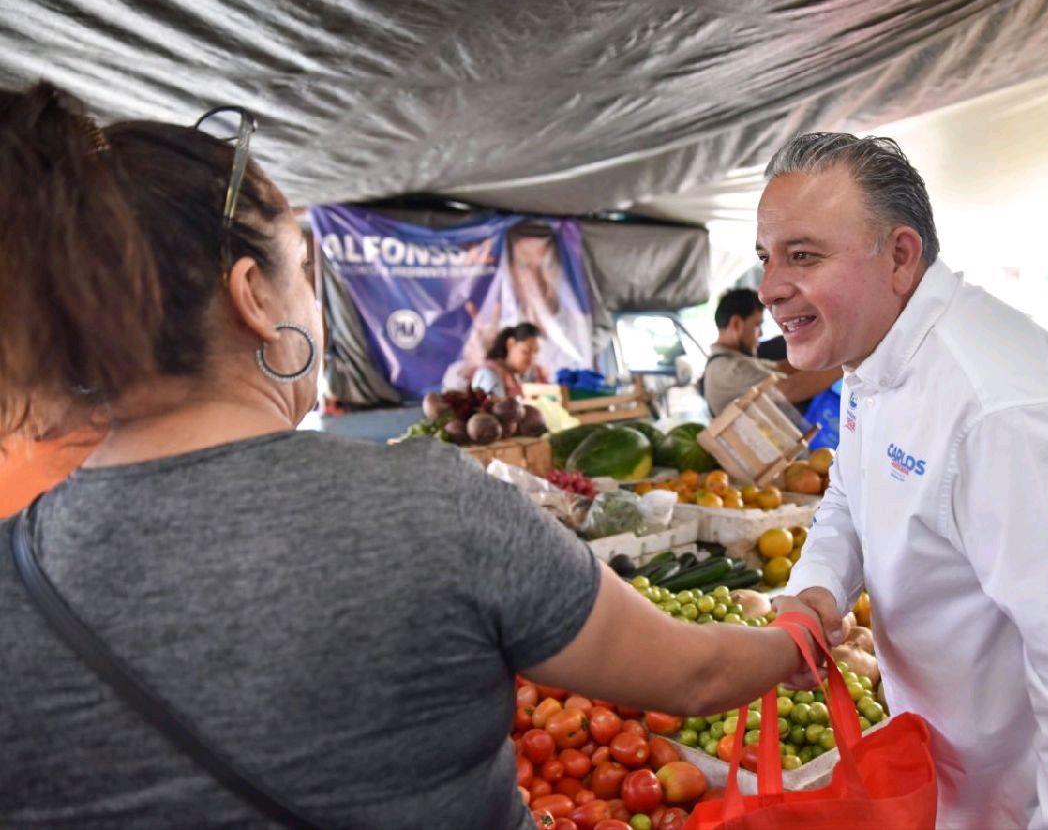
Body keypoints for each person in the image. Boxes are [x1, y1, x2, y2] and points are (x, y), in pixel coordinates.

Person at [0, 82, 813, 829]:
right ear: (251, 296)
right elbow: (694, 678)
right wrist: (797, 636)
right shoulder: (433, 506)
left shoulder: (16, 562)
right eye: (306, 274)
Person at [758, 131, 1048, 829]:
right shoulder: (875, 355)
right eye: (767, 257)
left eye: (803, 255)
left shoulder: (1006, 406)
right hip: (966, 773)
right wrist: (817, 587)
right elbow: (850, 493)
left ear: (900, 257)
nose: (769, 288)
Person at [701, 288, 840, 416]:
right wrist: (844, 360)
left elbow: (781, 368)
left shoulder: (733, 360)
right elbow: (789, 389)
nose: (760, 333)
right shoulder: (727, 369)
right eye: (757, 325)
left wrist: (822, 354)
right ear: (736, 324)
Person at [470, 322, 550, 398]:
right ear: (510, 344)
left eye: (535, 354)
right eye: (526, 351)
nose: (531, 360)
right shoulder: (489, 374)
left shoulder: (514, 377)